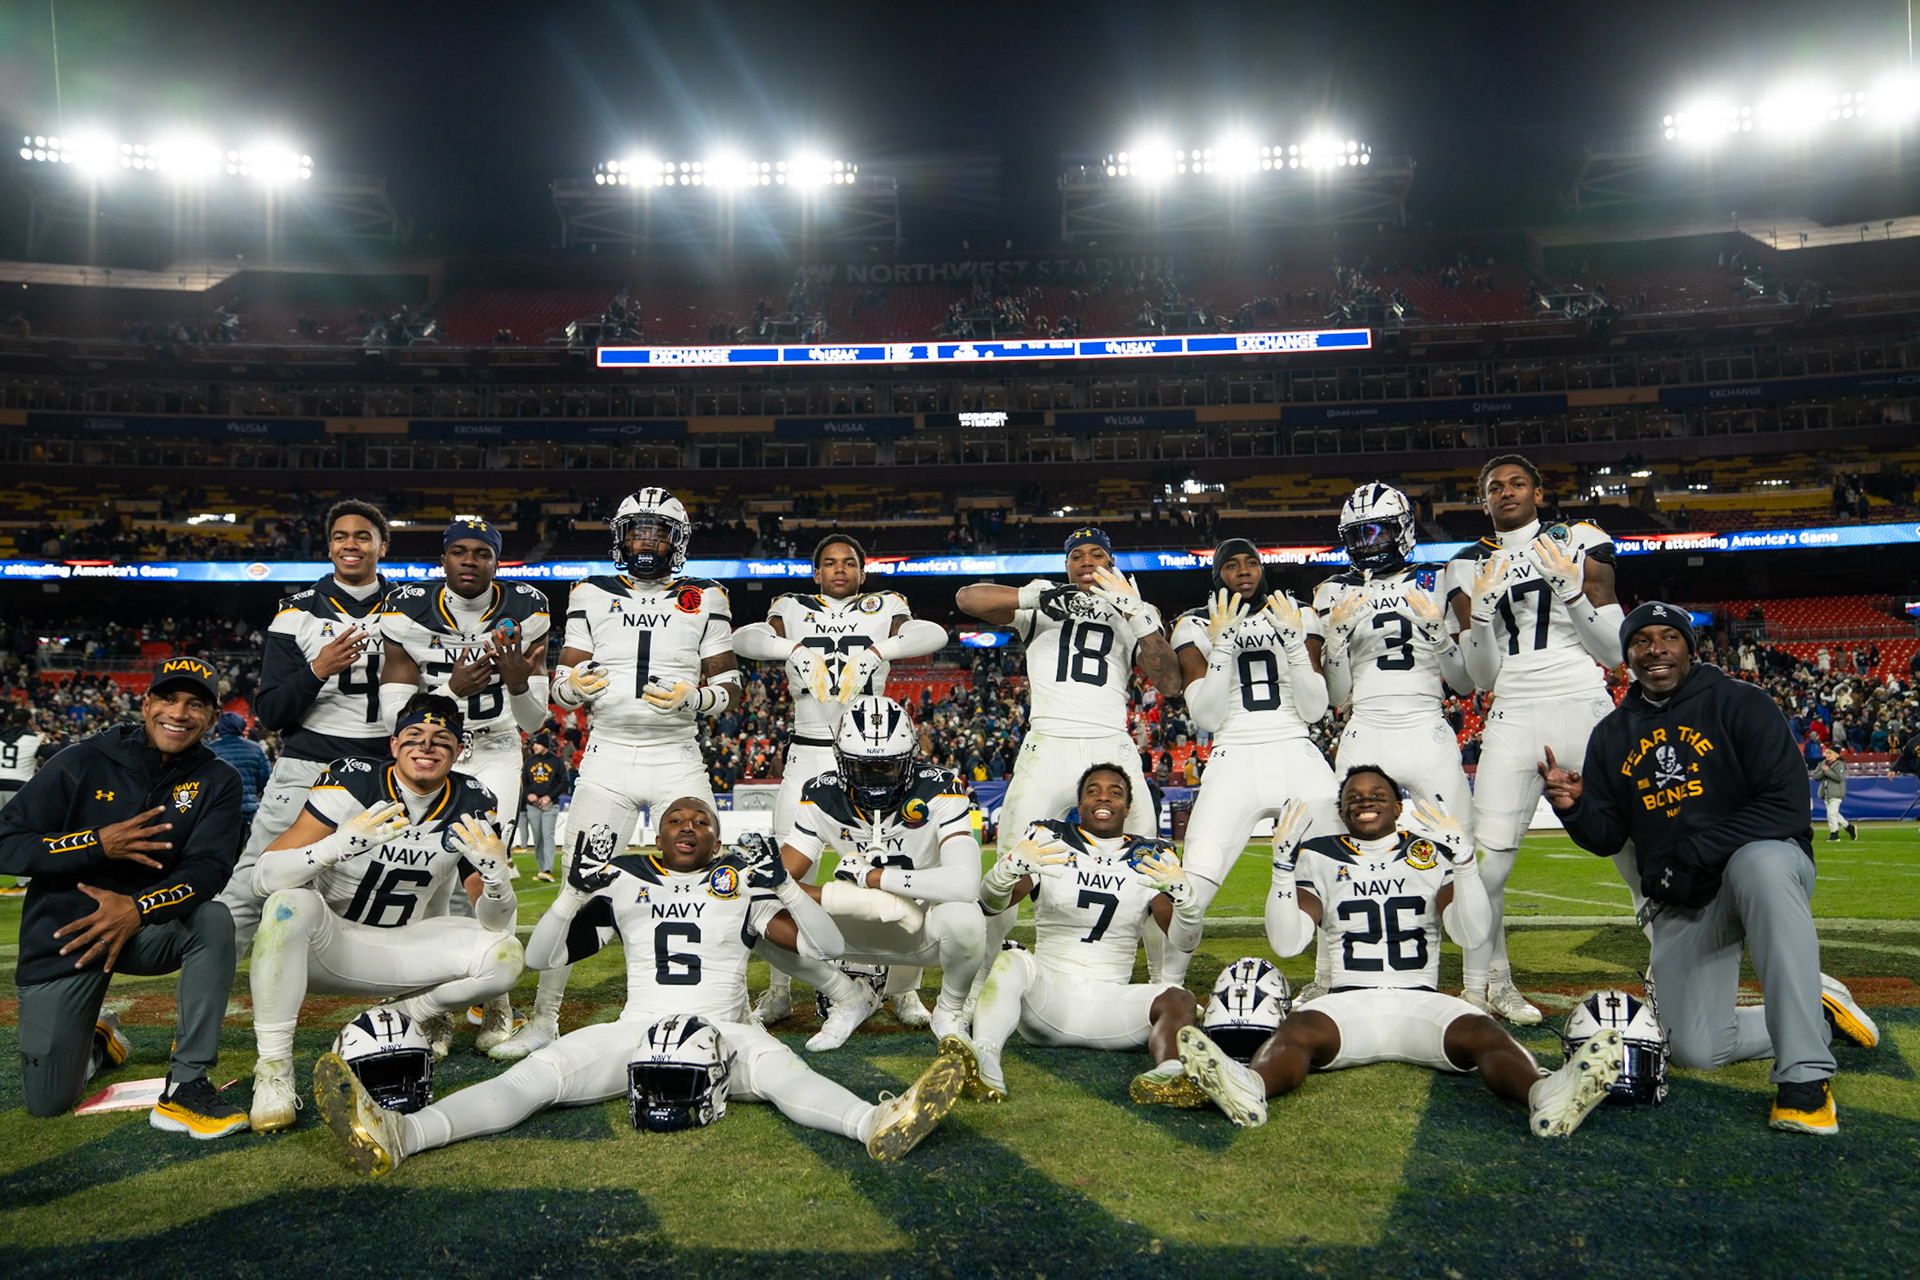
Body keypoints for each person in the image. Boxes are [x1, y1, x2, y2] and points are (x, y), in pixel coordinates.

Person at [310, 798, 969, 1175]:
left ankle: (876, 1122)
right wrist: (570, 896)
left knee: (786, 1075)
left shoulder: (741, 880)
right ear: (659, 832)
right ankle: (402, 1135)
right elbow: (540, 957)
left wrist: (788, 888)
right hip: (634, 1029)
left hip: (727, 1029)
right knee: (535, 1078)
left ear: (717, 836)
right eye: (677, 820)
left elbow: (826, 947)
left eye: (701, 821)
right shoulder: (625, 880)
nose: (688, 827)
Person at [1540, 601, 1881, 1135]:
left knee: (1760, 861)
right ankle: (1816, 1014)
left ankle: (1805, 1080)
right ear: (1627, 655)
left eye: (1668, 637)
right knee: (1694, 1047)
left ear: (1690, 648)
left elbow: (1786, 808)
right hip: (1685, 892)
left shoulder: (1742, 703)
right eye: (1641, 641)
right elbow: (1606, 836)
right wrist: (1574, 808)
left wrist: (1695, 851)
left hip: (1762, 869)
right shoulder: (1611, 734)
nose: (1655, 649)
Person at [1174, 766, 1625, 1139]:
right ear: (1341, 811)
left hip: (1420, 999)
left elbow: (1470, 933)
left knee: (1484, 1033)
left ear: (1397, 806)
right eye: (1353, 797)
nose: (1364, 802)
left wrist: (1465, 863)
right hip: (1348, 1000)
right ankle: (1249, 1086)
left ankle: (1546, 1095)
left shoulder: (1429, 851)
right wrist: (1281, 868)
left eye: (1377, 795)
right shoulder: (1319, 855)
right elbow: (1287, 942)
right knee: (1298, 1030)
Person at [488, 488, 736, 1062]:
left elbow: (731, 684)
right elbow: (563, 683)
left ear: (677, 541)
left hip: (677, 755)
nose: (646, 541)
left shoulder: (705, 594)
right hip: (608, 756)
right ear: (620, 537)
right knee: (576, 887)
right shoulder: (589, 591)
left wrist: (697, 697)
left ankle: (728, 1013)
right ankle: (544, 1020)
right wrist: (570, 687)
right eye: (637, 530)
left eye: (658, 532)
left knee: (712, 886)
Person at [244, 692, 524, 1133]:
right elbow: (263, 876)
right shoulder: (353, 781)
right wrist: (335, 847)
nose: (426, 746)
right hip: (328, 943)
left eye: (441, 740)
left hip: (400, 949)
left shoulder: (472, 799)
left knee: (505, 954)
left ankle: (412, 1012)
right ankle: (274, 1070)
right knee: (286, 905)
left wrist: (496, 879)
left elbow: (494, 922)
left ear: (458, 751)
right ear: (394, 744)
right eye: (414, 736)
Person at [0, 656, 248, 1136]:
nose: (179, 713)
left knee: (213, 919)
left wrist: (138, 908)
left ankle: (187, 1085)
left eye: (195, 704)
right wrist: (96, 843)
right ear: (146, 703)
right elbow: (6, 842)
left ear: (212, 717)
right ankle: (98, 1038)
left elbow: (208, 871)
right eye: (168, 698)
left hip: (146, 931)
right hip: (68, 939)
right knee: (48, 1102)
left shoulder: (219, 779)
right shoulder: (80, 759)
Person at [1439, 454, 1628, 1025]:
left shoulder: (1580, 539)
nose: (1506, 492)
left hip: (1583, 699)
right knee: (1486, 868)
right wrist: (1480, 621)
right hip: (1514, 709)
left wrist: (1573, 596)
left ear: (1539, 492)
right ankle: (1487, 986)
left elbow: (1614, 653)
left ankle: (1670, 972)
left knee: (1636, 849)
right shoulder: (1465, 564)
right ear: (1484, 500)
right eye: (1494, 486)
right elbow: (1481, 678)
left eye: (1518, 482)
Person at [733, 532, 948, 1028]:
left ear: (862, 571)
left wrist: (878, 649)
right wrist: (792, 648)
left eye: (849, 562)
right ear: (816, 572)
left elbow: (933, 633)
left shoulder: (885, 604)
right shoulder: (791, 605)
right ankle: (779, 989)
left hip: (874, 757)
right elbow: (745, 639)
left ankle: (903, 990)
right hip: (808, 750)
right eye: (829, 563)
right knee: (785, 874)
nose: (839, 570)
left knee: (898, 867)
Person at [956, 527, 1183, 984]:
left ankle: (1165, 985)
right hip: (1048, 743)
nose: (1086, 561)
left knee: (1154, 866)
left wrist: (1137, 614)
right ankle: (975, 985)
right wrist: (1033, 596)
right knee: (1011, 864)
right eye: (1077, 555)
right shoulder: (1043, 602)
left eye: (1097, 554)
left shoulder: (1136, 607)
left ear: (1112, 562)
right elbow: (967, 599)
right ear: (1066, 566)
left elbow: (1171, 682)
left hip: (1109, 743)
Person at [379, 515, 550, 1052]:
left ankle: (496, 1000)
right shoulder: (406, 607)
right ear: (444, 558)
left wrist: (518, 683)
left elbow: (534, 720)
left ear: (497, 562)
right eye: (460, 551)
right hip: (431, 749)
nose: (470, 561)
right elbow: (392, 719)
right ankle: (429, 1005)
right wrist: (450, 692)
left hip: (495, 747)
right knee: (422, 872)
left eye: (482, 552)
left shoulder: (528, 608)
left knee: (487, 867)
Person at [1310, 485, 1477, 1002]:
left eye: (1375, 531)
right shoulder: (1333, 590)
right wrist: (1335, 642)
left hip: (1426, 724)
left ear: (1401, 528)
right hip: (1365, 726)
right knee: (1338, 855)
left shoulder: (1438, 579)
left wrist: (1440, 636)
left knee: (1463, 853)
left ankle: (1487, 983)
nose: (1366, 543)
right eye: (1356, 534)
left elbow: (1464, 682)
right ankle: (1326, 976)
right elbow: (1334, 695)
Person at [970, 764, 1206, 1105]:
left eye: (1115, 792)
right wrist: (1005, 871)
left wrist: (1187, 903)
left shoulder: (1151, 857)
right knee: (1011, 960)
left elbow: (1185, 941)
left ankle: (1170, 1073)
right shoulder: (1049, 840)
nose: (1103, 797)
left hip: (1111, 1005)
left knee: (1180, 998)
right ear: (1079, 804)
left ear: (1127, 807)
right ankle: (984, 1058)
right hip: (1047, 999)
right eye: (1093, 791)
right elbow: (991, 906)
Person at [218, 500, 392, 955]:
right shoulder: (294, 614)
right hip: (308, 766)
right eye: (340, 536)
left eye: (362, 536)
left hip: (385, 770)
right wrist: (318, 670)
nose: (350, 545)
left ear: (381, 547)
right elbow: (272, 713)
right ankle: (203, 990)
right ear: (329, 547)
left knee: (387, 889)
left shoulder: (409, 610)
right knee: (251, 884)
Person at [1165, 539, 1335, 986]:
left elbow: (1316, 709)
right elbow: (1206, 716)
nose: (1243, 571)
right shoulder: (1194, 624)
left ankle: (1330, 981)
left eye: (1251, 563)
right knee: (1191, 888)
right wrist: (1221, 646)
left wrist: (1294, 644)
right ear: (1217, 575)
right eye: (1231, 565)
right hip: (1233, 755)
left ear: (1262, 569)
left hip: (1295, 747)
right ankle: (1167, 986)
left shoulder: (1296, 613)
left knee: (1335, 874)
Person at [779, 697, 986, 1050]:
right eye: (863, 768)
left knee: (967, 919)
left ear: (910, 759)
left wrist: (872, 878)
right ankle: (847, 997)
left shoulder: (940, 788)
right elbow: (781, 877)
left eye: (887, 767)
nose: (875, 778)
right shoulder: (821, 794)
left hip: (920, 929)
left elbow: (965, 883)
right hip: (849, 928)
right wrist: (839, 896)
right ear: (841, 760)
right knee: (760, 910)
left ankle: (948, 1012)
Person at [207, 712, 271, 846]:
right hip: (247, 811)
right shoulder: (256, 749)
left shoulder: (210, 749)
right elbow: (266, 780)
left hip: (218, 810)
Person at [0, 704, 45, 897]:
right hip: (19, 789)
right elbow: (56, 753)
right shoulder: (35, 738)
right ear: (29, 721)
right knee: (21, 835)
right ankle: (23, 882)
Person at [521, 736, 570, 881]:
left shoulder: (556, 761)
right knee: (538, 838)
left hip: (550, 805)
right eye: (534, 744)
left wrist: (549, 796)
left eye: (537, 744)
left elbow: (564, 782)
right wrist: (528, 794)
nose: (534, 746)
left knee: (548, 836)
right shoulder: (529, 761)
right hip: (533, 806)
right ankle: (542, 869)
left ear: (545, 745)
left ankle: (548, 869)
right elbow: (523, 782)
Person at [1813, 747, 1857, 842]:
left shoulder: (1839, 764)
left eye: (1830, 753)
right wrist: (1823, 771)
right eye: (1827, 753)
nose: (1828, 755)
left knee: (1831, 813)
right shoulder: (1822, 764)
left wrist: (1827, 771)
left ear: (1836, 755)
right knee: (1834, 813)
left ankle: (1834, 834)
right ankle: (1848, 826)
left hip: (1836, 792)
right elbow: (1815, 777)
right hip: (1826, 792)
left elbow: (1839, 778)